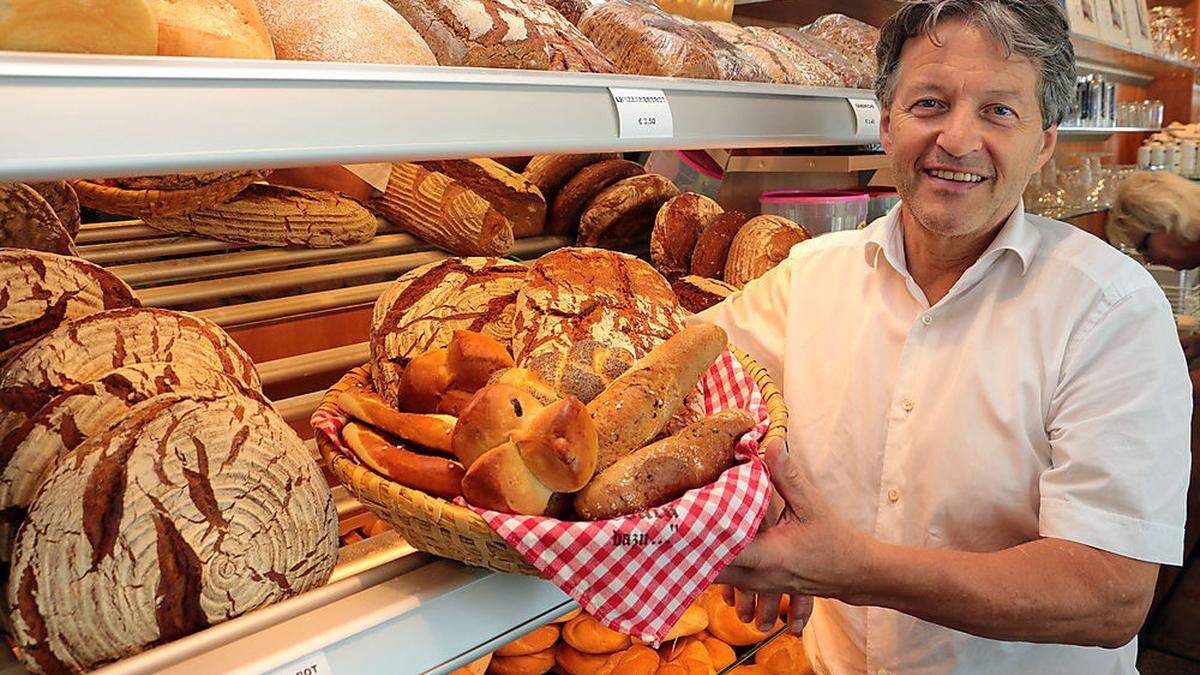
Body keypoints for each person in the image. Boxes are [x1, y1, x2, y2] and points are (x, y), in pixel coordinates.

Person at [691, 1, 1192, 673]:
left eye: (999, 111)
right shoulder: (809, 280)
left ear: (1044, 141)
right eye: (929, 103)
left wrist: (855, 568)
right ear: (887, 120)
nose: (956, 138)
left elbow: (1109, 593)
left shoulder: (1110, 311)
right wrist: (748, 477)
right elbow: (680, 379)